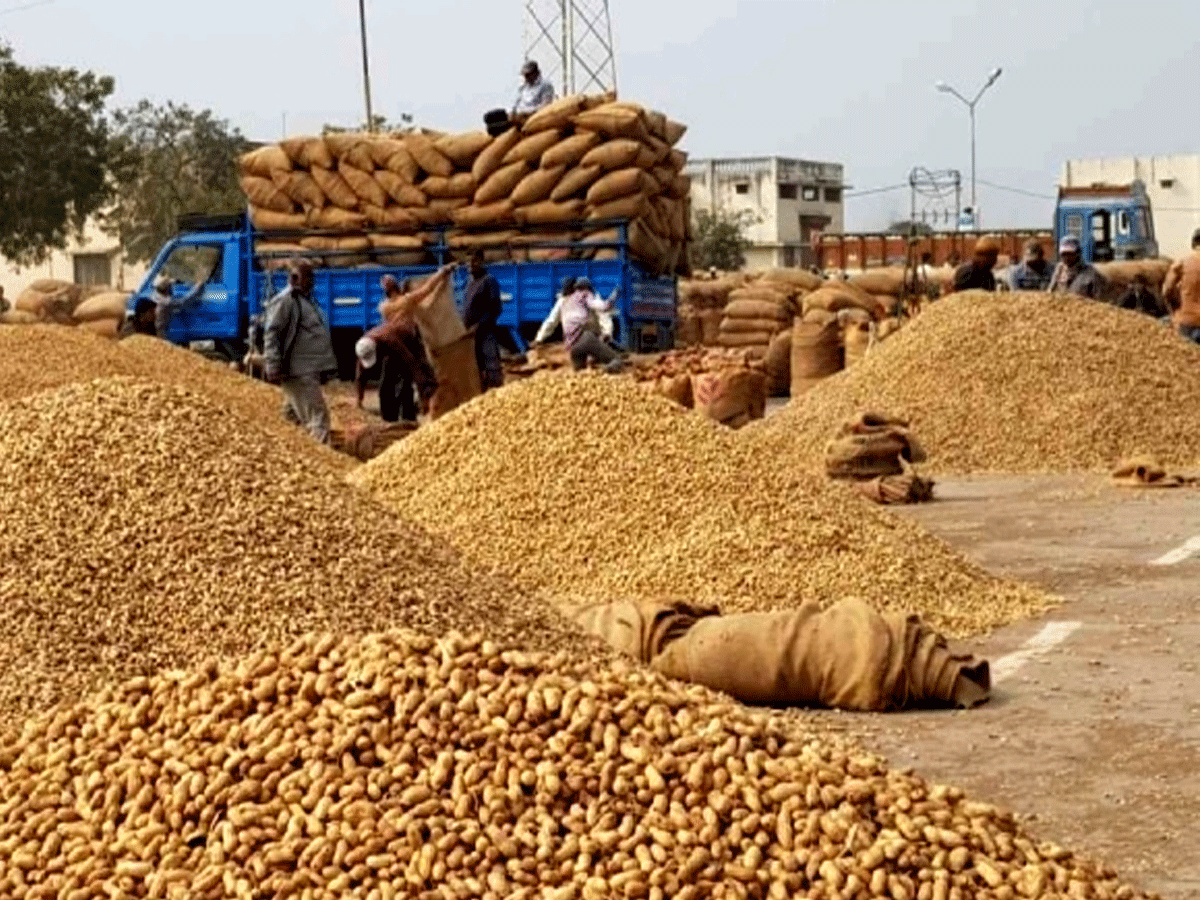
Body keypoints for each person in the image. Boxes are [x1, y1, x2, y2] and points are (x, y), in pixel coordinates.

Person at [263, 258, 338, 444]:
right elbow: (272, 333)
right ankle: (322, 461)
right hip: (299, 370)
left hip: (306, 369)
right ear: (296, 278)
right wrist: (273, 364)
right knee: (318, 418)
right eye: (309, 277)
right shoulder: (286, 301)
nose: (313, 281)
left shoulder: (303, 300)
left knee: (291, 417)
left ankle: (289, 451)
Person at [354, 273, 446, 421]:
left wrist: (423, 386)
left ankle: (405, 418)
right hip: (399, 344)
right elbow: (361, 370)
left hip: (407, 342)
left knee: (401, 385)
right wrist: (359, 398)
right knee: (393, 385)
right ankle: (395, 418)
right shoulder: (403, 302)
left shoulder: (387, 310)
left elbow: (410, 361)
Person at [558, 277, 624, 372]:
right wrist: (615, 294)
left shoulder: (565, 300)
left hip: (571, 347)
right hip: (585, 338)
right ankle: (601, 372)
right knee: (616, 360)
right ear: (587, 287)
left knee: (579, 372)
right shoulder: (585, 294)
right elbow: (604, 307)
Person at [533, 276, 620, 348]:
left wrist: (539, 339)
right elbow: (552, 320)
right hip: (586, 336)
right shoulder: (564, 300)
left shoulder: (579, 297)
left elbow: (551, 321)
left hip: (584, 336)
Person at [463, 252, 505, 391]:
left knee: (491, 365)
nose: (470, 265)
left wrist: (479, 325)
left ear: (481, 261)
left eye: (474, 261)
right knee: (477, 368)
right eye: (468, 262)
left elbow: (495, 309)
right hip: (471, 335)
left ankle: (495, 394)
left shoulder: (488, 281)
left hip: (486, 332)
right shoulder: (470, 283)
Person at [153, 257, 217, 339]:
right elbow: (184, 301)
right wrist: (196, 288)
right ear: (166, 290)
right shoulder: (166, 301)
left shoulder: (156, 295)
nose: (172, 290)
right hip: (160, 333)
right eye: (170, 287)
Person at [1162, 228, 1200, 343]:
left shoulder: (1182, 263)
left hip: (1187, 321)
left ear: (1194, 243)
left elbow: (1166, 291)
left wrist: (1173, 311)